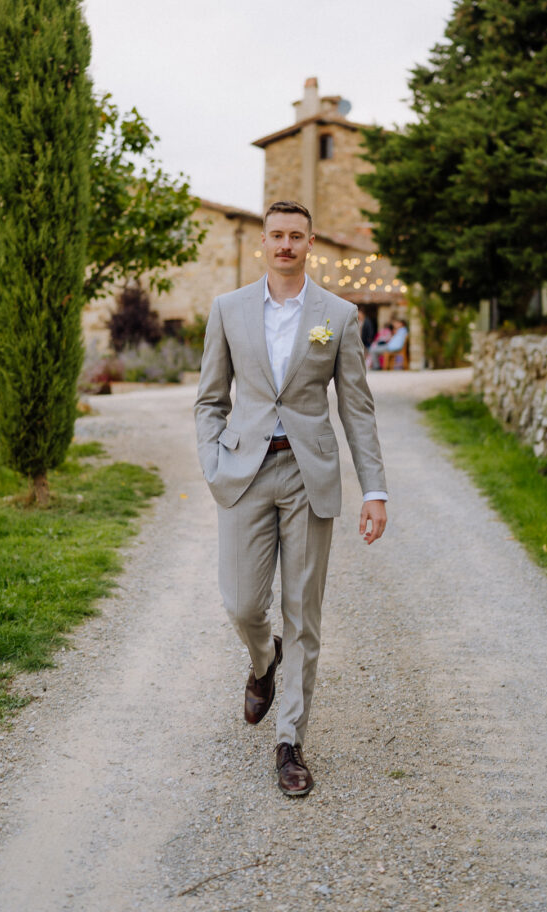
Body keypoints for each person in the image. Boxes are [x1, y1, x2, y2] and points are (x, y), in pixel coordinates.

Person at [195, 200, 387, 797]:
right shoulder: (227, 310)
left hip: (309, 475)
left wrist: (374, 488)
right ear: (264, 242)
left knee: (304, 612)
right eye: (275, 235)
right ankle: (261, 661)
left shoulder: (338, 314)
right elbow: (209, 399)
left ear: (309, 244)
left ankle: (289, 742)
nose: (285, 244)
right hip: (246, 473)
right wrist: (212, 462)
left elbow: (357, 406)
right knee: (242, 604)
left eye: (295, 236)